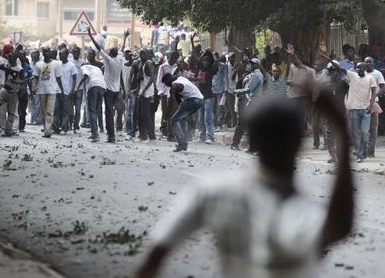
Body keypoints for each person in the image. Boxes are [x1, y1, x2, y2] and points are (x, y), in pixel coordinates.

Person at [135, 90, 354, 278]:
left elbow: (154, 256)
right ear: (299, 144)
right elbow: (339, 226)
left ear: (252, 143)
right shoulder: (297, 210)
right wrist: (342, 130)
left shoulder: (213, 190)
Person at [326, 57, 376, 162]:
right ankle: (333, 156)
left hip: (344, 111)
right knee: (331, 134)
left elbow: (361, 91)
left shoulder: (344, 83)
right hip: (333, 112)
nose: (333, 72)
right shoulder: (326, 84)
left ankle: (350, 154)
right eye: (331, 71)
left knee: (358, 133)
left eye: (334, 70)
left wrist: (370, 104)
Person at [89, 28, 123, 143]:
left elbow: (99, 48)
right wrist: (126, 37)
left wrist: (90, 35)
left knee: (108, 113)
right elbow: (121, 49)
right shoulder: (120, 58)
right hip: (117, 90)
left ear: (109, 54)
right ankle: (110, 134)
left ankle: (111, 136)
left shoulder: (109, 60)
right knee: (111, 112)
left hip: (108, 90)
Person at [161, 73, 203, 152]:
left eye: (166, 84)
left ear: (168, 81)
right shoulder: (181, 78)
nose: (167, 86)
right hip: (200, 100)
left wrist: (165, 119)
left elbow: (171, 104)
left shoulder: (174, 86)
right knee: (182, 119)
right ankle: (184, 142)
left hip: (193, 100)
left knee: (174, 120)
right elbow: (179, 102)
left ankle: (181, 143)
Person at [231, 57, 264, 150]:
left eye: (253, 64)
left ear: (257, 65)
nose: (251, 65)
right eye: (251, 64)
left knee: (242, 123)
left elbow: (250, 89)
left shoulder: (256, 75)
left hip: (253, 102)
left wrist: (238, 91)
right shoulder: (254, 75)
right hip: (253, 102)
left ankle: (236, 144)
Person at [32, 47, 64, 138]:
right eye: (44, 52)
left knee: (50, 111)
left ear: (50, 52)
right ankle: (46, 128)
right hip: (41, 90)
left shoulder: (56, 64)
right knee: (43, 111)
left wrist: (61, 90)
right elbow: (35, 77)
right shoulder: (38, 65)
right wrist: (34, 87)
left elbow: (58, 78)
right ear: (42, 53)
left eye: (47, 51)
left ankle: (47, 131)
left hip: (52, 90)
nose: (45, 53)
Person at [0, 51, 25, 137]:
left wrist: (16, 81)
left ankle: (8, 131)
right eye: (9, 58)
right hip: (5, 89)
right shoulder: (7, 65)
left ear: (15, 59)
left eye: (11, 58)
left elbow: (23, 80)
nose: (9, 60)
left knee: (11, 112)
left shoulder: (19, 69)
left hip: (14, 91)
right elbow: (0, 67)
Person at [365, 56, 385, 157]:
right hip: (363, 104)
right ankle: (363, 150)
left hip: (374, 104)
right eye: (366, 62)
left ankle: (371, 151)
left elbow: (384, 87)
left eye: (370, 62)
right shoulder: (361, 73)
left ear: (373, 63)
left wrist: (375, 95)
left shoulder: (377, 74)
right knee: (363, 129)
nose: (368, 64)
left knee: (373, 128)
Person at [78, 62, 106, 143]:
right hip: (102, 87)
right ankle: (94, 133)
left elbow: (86, 75)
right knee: (95, 110)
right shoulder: (96, 68)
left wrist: (78, 86)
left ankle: (95, 134)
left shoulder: (84, 67)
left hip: (93, 86)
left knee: (92, 111)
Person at [52, 49, 78, 135]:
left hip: (67, 92)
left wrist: (72, 90)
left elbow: (74, 79)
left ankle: (64, 128)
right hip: (57, 91)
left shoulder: (71, 66)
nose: (60, 56)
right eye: (59, 54)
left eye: (62, 54)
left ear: (67, 55)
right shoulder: (58, 64)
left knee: (66, 111)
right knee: (56, 110)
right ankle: (55, 128)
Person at [157, 51, 179, 139]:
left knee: (172, 113)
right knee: (165, 112)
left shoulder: (176, 67)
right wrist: (161, 92)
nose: (174, 60)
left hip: (174, 93)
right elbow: (159, 80)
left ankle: (171, 133)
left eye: (176, 59)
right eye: (173, 58)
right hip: (165, 93)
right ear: (170, 57)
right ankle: (164, 130)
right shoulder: (163, 67)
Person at [138, 49, 156, 141]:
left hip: (147, 92)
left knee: (146, 114)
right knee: (142, 114)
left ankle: (151, 135)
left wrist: (144, 90)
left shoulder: (148, 64)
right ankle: (143, 134)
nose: (142, 56)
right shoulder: (141, 64)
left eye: (144, 54)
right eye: (141, 54)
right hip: (142, 91)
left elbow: (152, 78)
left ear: (147, 55)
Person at [70, 46, 85, 133]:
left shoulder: (83, 62)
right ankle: (70, 124)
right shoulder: (70, 62)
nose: (76, 53)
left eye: (77, 52)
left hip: (80, 89)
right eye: (74, 52)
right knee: (70, 108)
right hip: (71, 88)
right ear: (72, 53)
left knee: (78, 109)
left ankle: (76, 125)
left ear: (79, 53)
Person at [212, 55, 229, 131]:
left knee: (220, 107)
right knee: (212, 107)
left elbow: (225, 77)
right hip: (212, 89)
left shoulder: (223, 66)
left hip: (221, 89)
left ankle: (219, 124)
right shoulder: (210, 66)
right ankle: (213, 124)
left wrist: (226, 88)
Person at [29, 50, 43, 125]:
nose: (33, 55)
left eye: (35, 53)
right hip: (31, 84)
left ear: (38, 55)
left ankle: (38, 120)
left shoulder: (40, 63)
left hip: (38, 85)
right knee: (32, 103)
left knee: (38, 103)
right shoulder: (31, 63)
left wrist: (35, 86)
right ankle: (33, 119)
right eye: (32, 53)